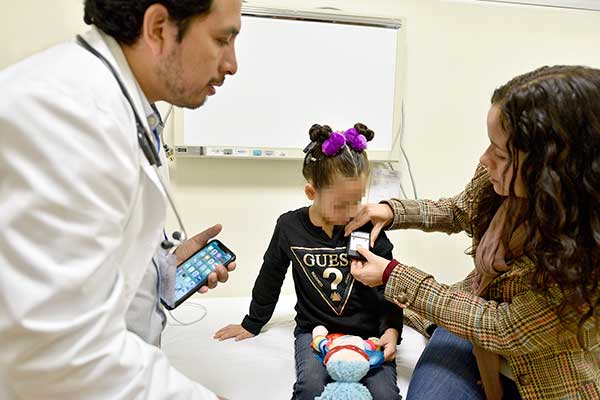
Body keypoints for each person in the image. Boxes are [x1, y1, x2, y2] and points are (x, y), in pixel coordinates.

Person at [0, 0, 241, 398]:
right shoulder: (68, 114)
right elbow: (58, 353)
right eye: (221, 40)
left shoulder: (127, 110)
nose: (232, 64)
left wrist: (163, 266)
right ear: (158, 28)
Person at [346, 65, 600, 400]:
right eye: (489, 144)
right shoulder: (497, 183)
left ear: (551, 167)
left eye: (501, 153)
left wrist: (394, 275)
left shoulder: (588, 253)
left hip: (546, 371)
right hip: (471, 325)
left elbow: (502, 328)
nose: (484, 158)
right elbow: (459, 210)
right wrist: (394, 211)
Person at [214, 123, 404, 400]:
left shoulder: (367, 227)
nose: (352, 212)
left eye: (357, 201)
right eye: (340, 205)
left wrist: (391, 329)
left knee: (385, 395)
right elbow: (271, 275)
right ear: (311, 193)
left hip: (368, 333)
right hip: (315, 332)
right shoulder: (289, 227)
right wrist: (252, 322)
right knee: (309, 389)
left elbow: (390, 284)